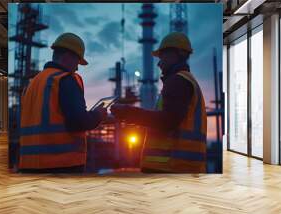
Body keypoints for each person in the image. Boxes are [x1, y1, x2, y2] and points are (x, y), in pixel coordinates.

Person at [111, 32, 207, 173]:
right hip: (179, 167)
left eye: (163, 56)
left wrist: (128, 112)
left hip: (171, 166)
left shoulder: (177, 81)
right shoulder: (186, 81)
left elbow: (168, 121)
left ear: (177, 54)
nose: (159, 63)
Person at [19, 33, 107, 173]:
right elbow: (78, 122)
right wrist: (98, 115)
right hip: (60, 164)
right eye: (77, 62)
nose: (77, 68)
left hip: (29, 165)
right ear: (67, 56)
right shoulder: (64, 80)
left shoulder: (33, 83)